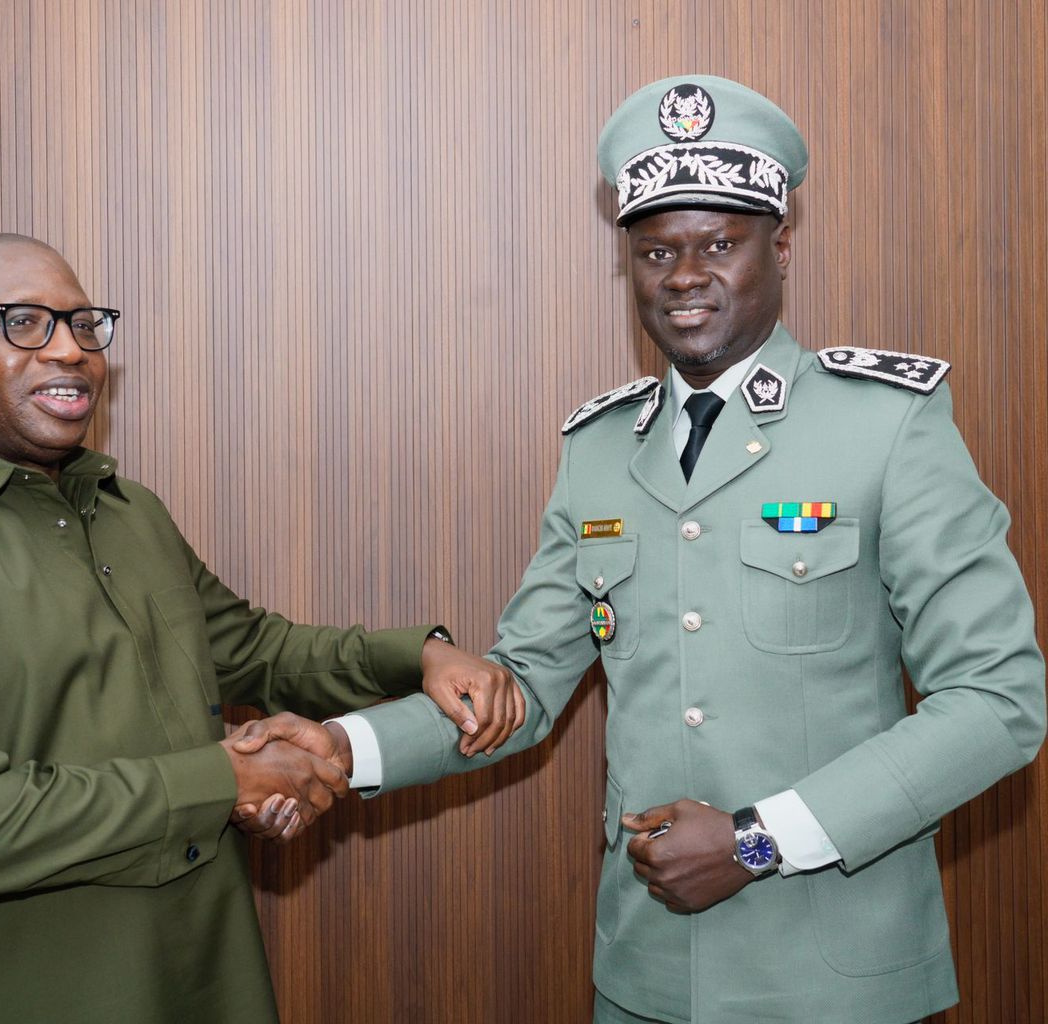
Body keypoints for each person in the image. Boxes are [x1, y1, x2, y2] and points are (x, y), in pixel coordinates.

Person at [241, 75, 1046, 1022]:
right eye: (657, 250)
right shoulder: (597, 450)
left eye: (720, 244)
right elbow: (525, 684)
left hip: (837, 979)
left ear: (781, 245)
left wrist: (758, 841)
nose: (684, 276)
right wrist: (341, 746)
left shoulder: (888, 426)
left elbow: (997, 702)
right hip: (647, 975)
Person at [0, 233, 523, 1024]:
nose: (69, 350)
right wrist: (226, 780)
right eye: (23, 323)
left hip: (187, 975)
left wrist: (419, 656)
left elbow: (253, 649)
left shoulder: (126, 511)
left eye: (83, 325)